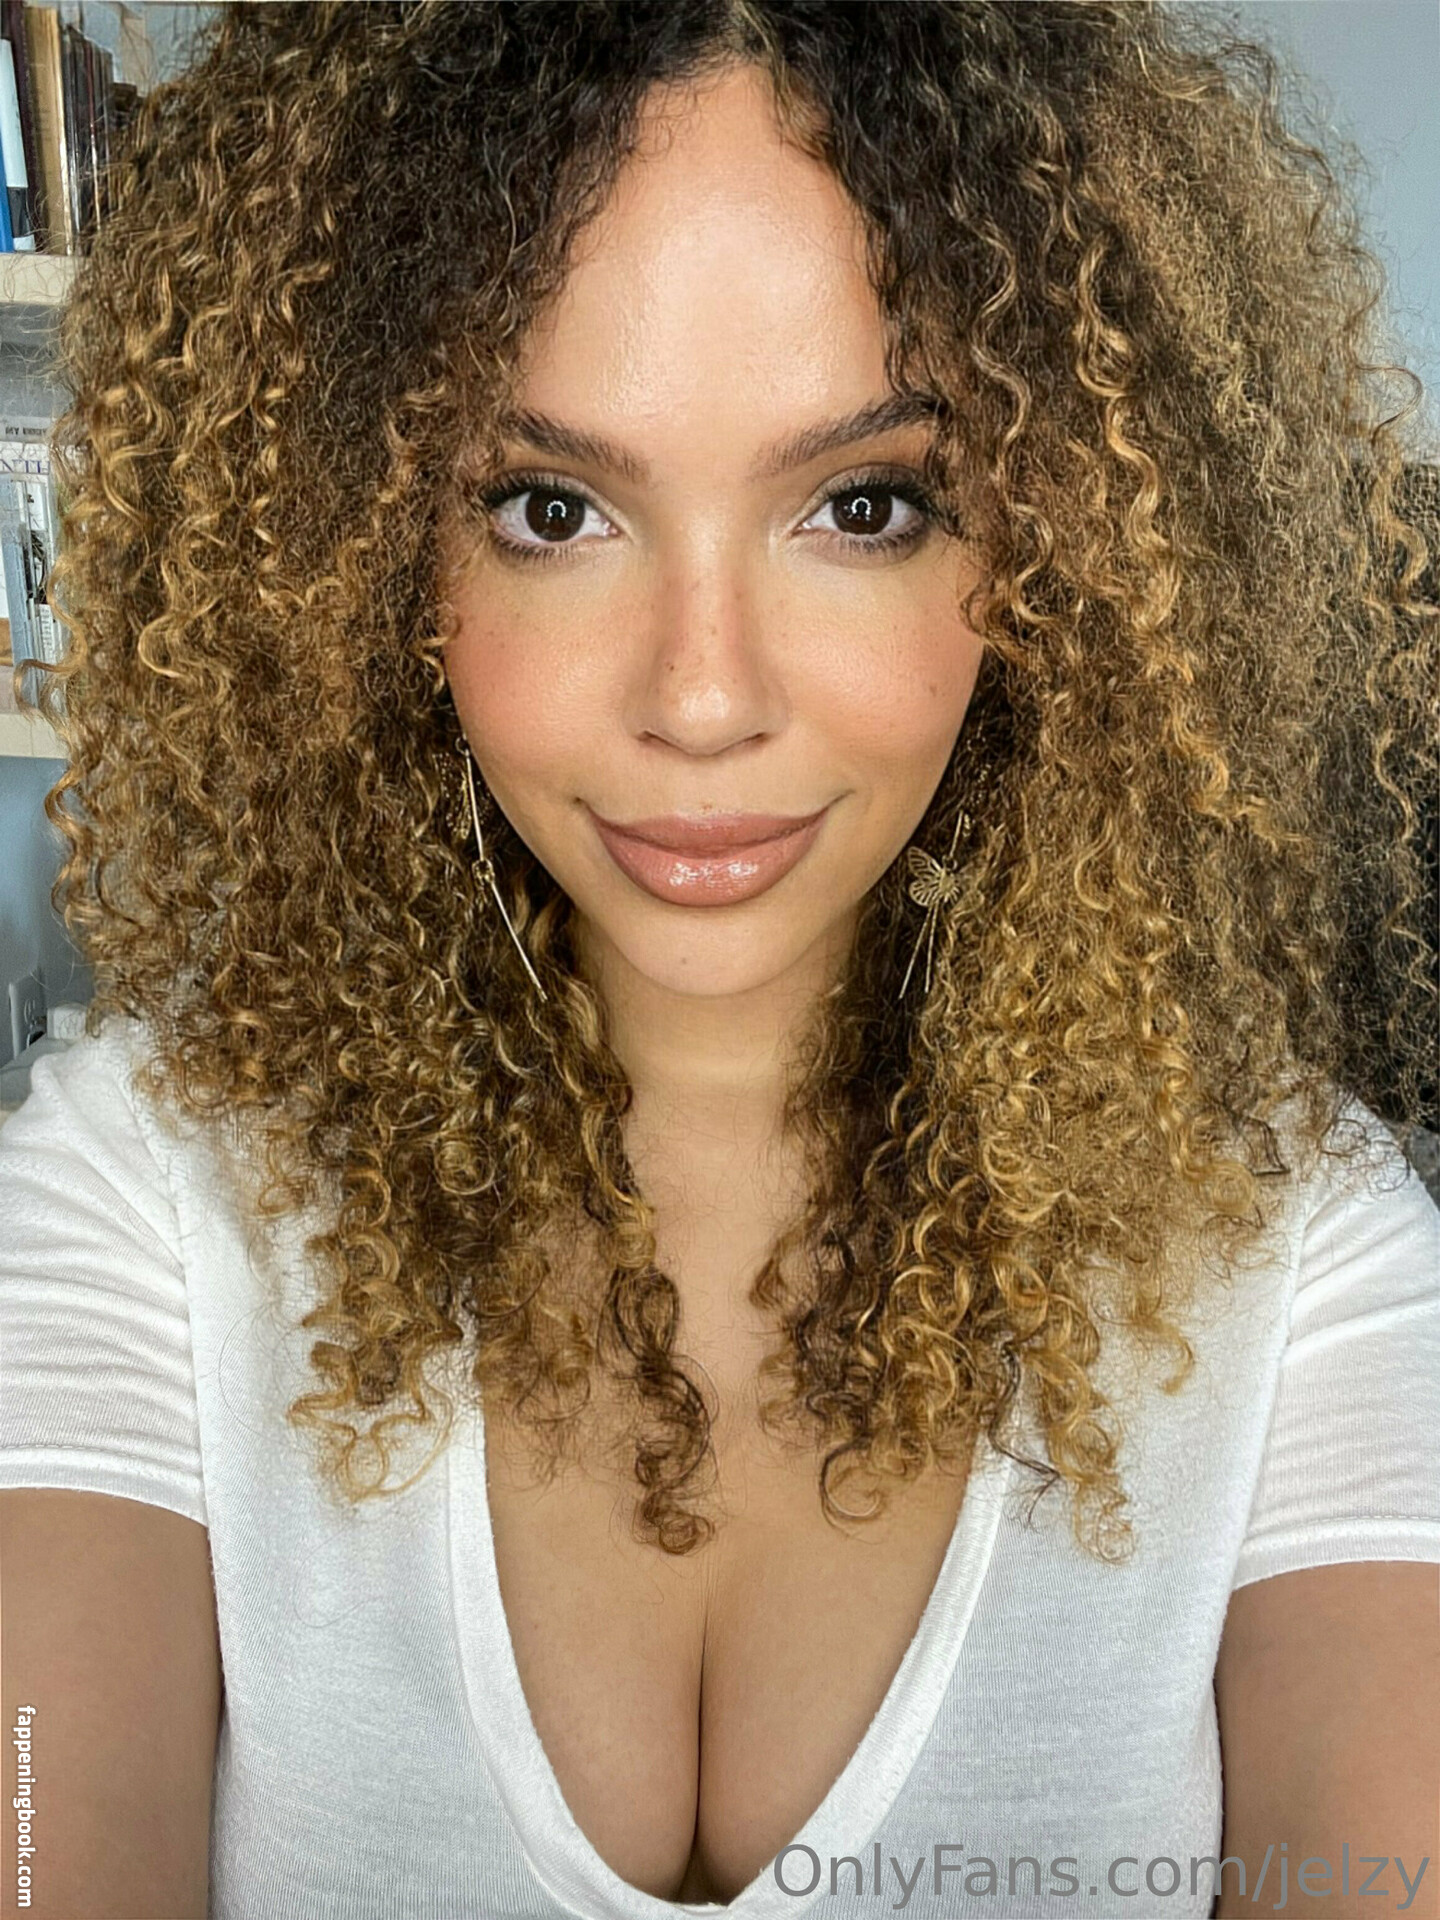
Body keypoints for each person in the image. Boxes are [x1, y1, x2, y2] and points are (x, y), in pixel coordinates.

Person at [1, 3, 1437, 1917]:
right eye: (552, 511)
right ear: (362, 555)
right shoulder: (141, 1201)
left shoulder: (1298, 1256)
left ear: (1069, 553)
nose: (700, 696)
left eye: (864, 507)